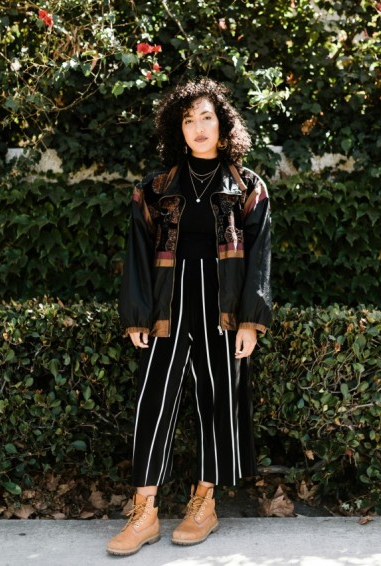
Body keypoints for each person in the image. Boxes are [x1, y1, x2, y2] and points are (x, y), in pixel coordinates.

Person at [107, 77, 272, 556]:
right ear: (177, 129)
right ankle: (145, 511)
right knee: (152, 401)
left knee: (217, 402)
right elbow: (138, 255)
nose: (197, 127)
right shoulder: (156, 188)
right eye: (188, 119)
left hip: (222, 311)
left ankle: (204, 502)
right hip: (167, 308)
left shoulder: (246, 186)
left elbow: (259, 257)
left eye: (206, 117)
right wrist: (136, 315)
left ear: (222, 125)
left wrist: (249, 320)